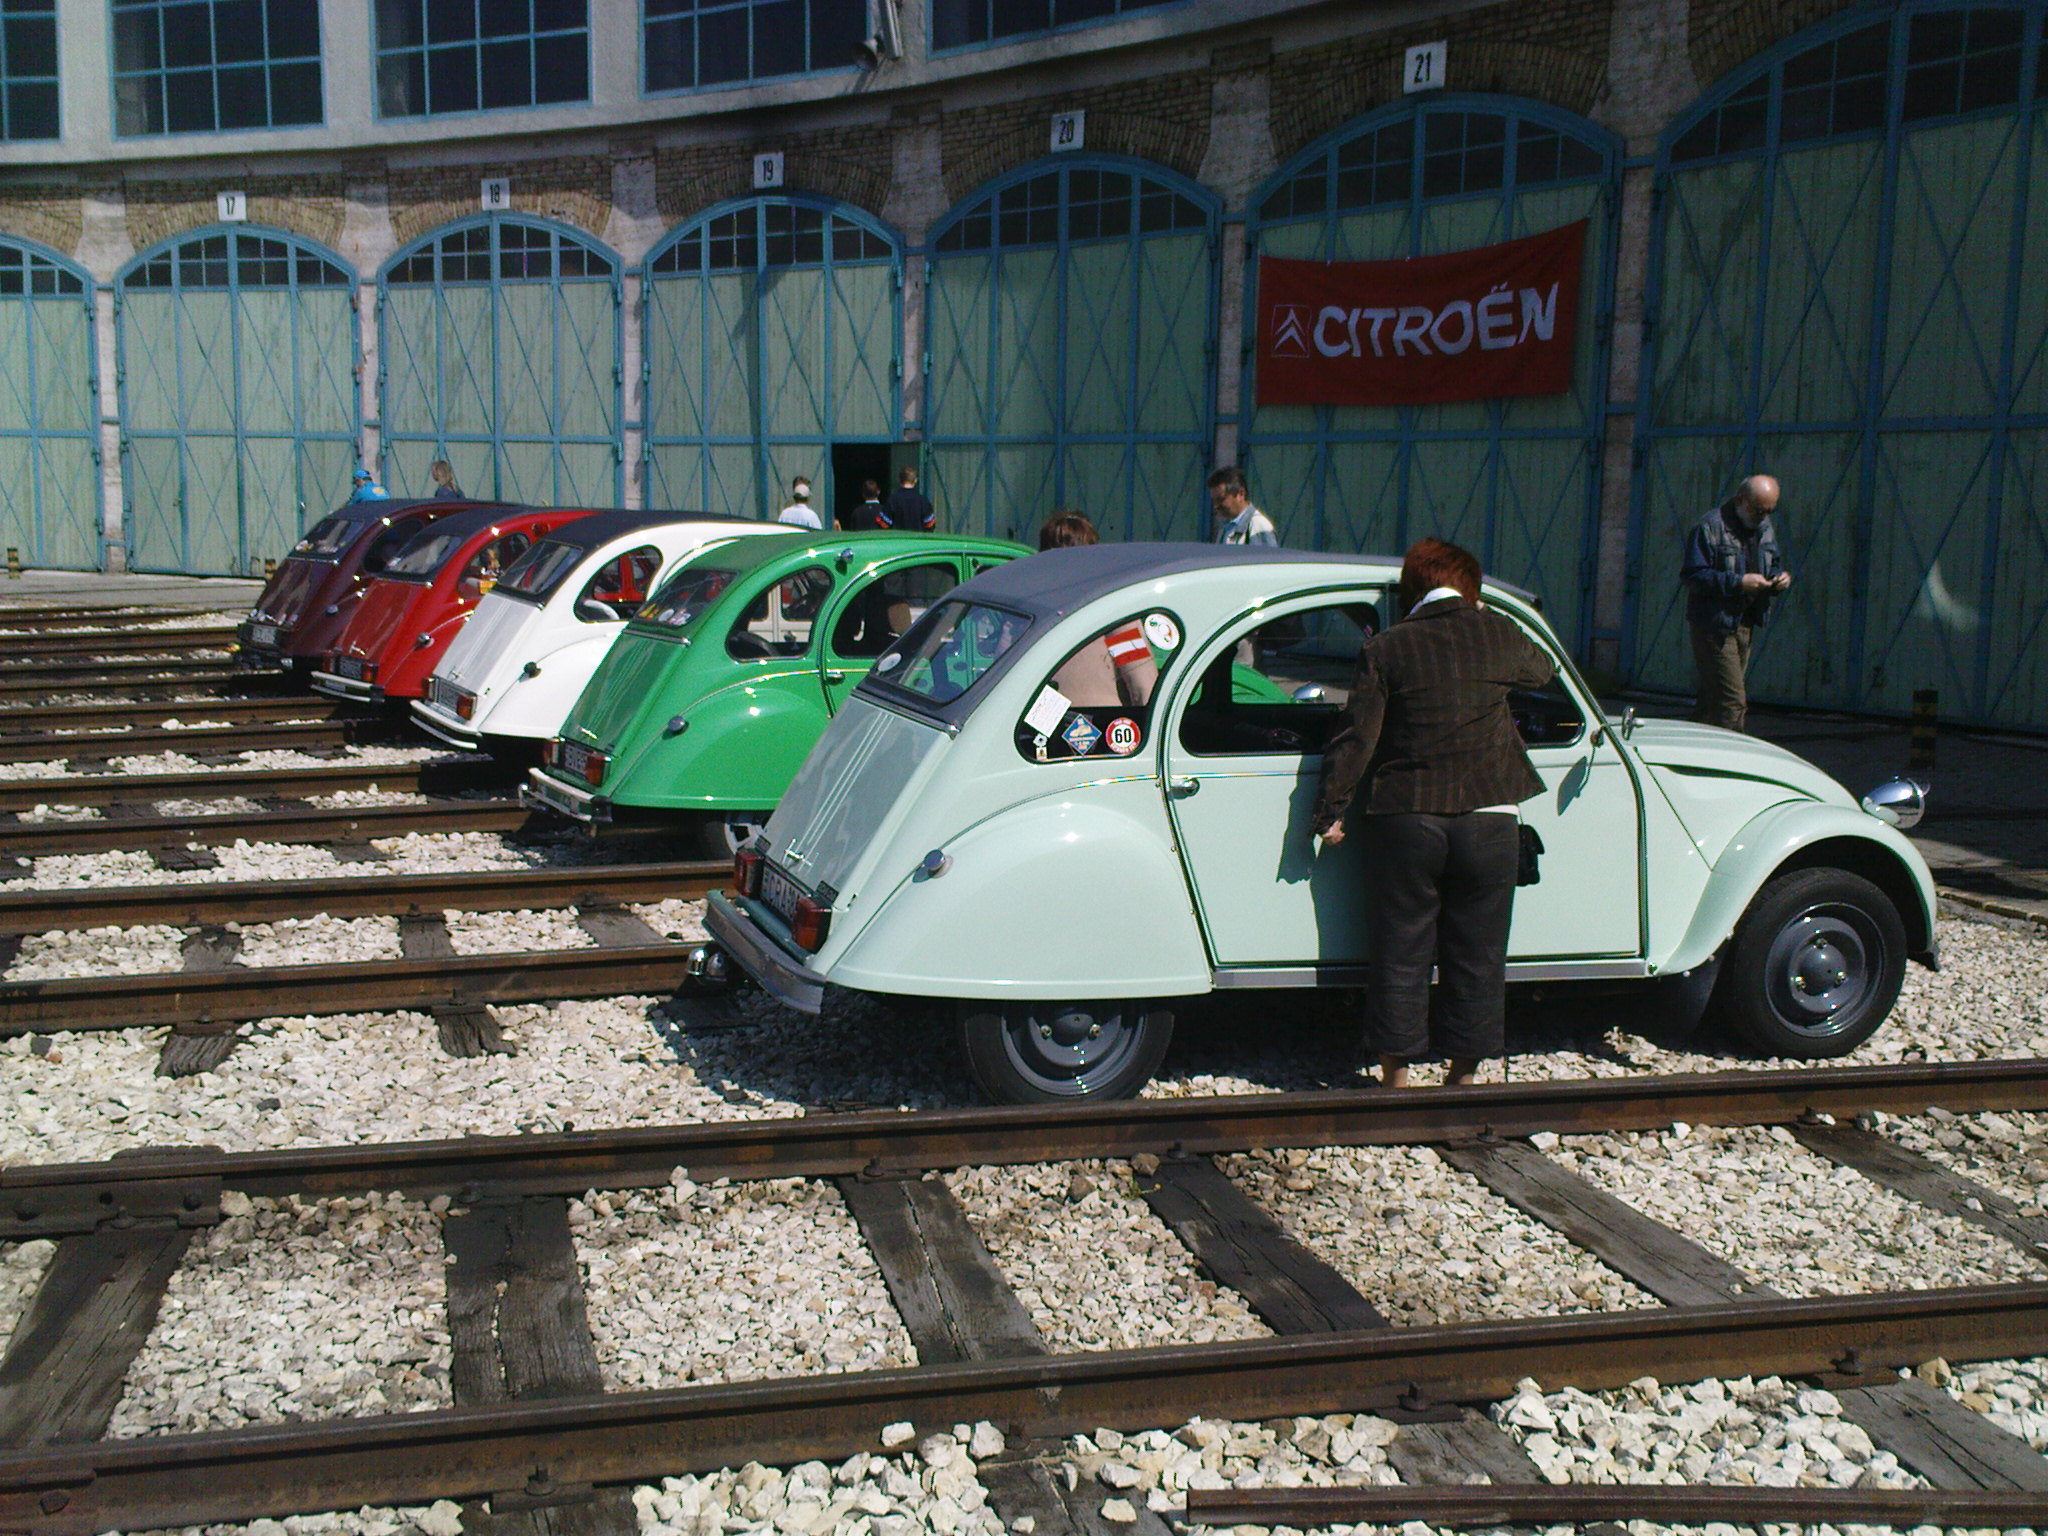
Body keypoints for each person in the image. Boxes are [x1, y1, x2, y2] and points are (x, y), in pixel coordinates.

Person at [1311, 538, 1555, 1089]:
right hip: (1489, 818)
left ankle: (1396, 1081)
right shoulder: (1498, 634)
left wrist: (1330, 811)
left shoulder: (1387, 647)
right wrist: (1486, 615)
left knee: (1400, 950)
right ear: (1471, 589)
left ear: (1411, 590)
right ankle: (1461, 1080)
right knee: (1479, 953)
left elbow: (1357, 736)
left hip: (1407, 819)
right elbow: (1543, 671)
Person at [1681, 473, 1790, 733]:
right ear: (1741, 500)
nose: (1763, 516)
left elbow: (1773, 561)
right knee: (1732, 703)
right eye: (1758, 510)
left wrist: (1778, 578)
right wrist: (1738, 582)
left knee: (1712, 699)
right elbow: (1693, 576)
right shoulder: (1709, 527)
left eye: (1769, 511)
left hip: (1745, 622)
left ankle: (1691, 744)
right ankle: (1732, 750)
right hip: (1714, 626)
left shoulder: (1764, 527)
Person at [1037, 511, 1156, 707]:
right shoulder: (1110, 609)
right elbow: (1142, 685)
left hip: (1032, 723)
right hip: (1102, 722)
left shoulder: (1032, 605)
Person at [1208, 465, 1277, 547]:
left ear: (1241, 494)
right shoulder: (1226, 527)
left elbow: (1268, 555)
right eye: (1214, 501)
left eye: (1221, 499)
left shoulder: (1258, 527)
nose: (1216, 506)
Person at [884, 464, 937, 531]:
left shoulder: (892, 500)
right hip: (917, 537)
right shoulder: (922, 501)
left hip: (897, 537)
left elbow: (883, 524)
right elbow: (930, 524)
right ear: (915, 480)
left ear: (900, 480)